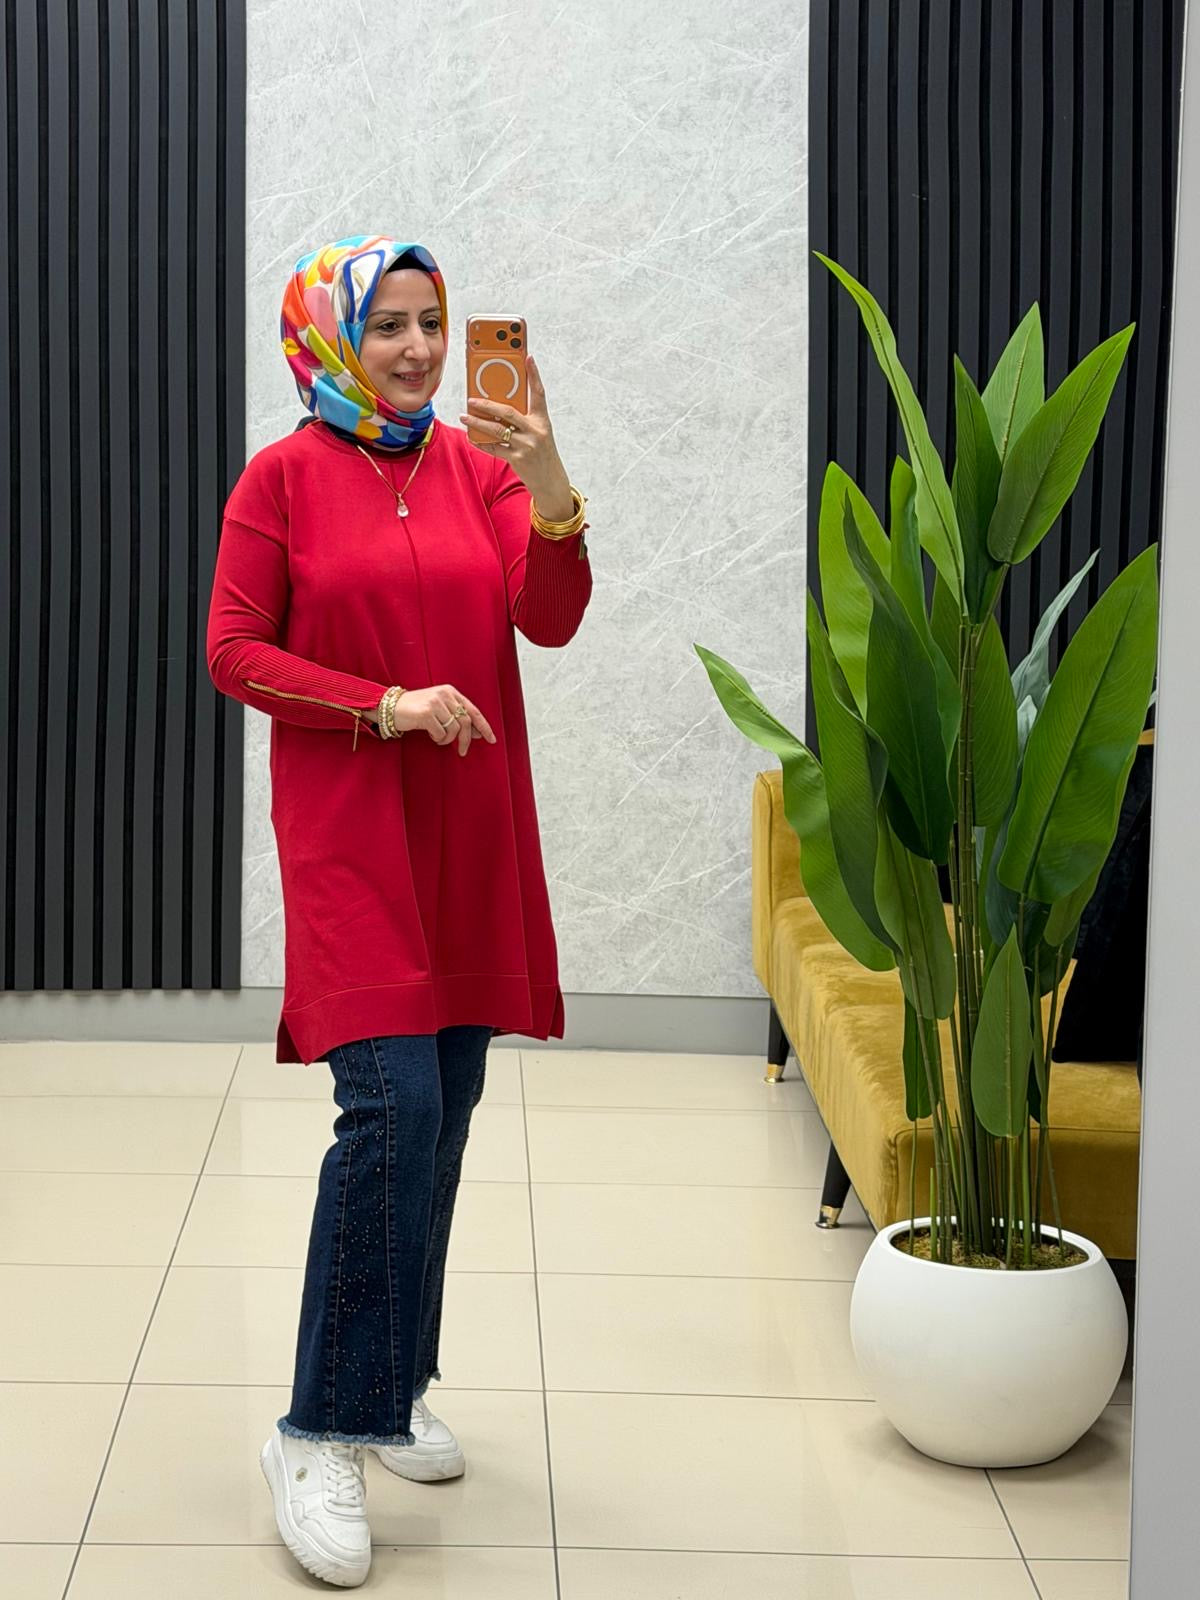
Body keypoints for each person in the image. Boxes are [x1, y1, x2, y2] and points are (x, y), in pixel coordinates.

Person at [205, 235, 593, 1587]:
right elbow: (234, 650)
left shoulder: (479, 469)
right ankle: (317, 1428)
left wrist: (550, 478)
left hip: (468, 841)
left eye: (433, 321)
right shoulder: (280, 479)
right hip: (351, 842)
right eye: (390, 325)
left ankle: (395, 1384)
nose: (421, 349)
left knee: (448, 1112)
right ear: (333, 337)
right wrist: (383, 703)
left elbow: (550, 617)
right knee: (393, 1110)